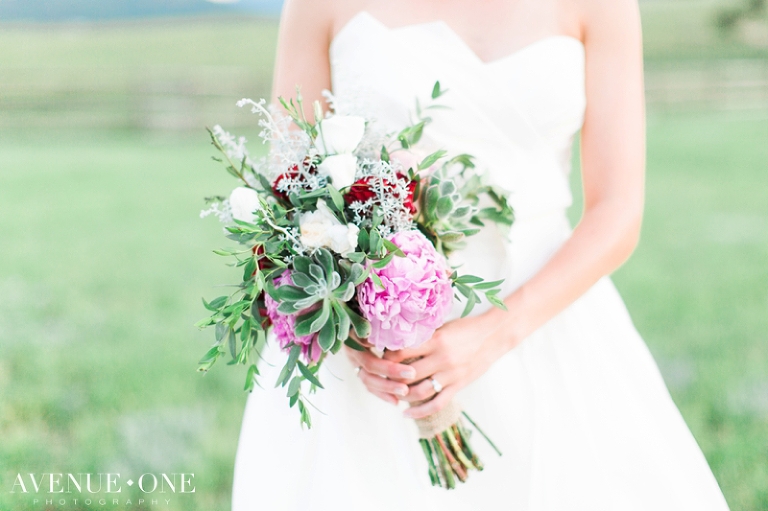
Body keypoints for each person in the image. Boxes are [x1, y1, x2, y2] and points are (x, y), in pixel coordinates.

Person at [232, 0, 731, 509]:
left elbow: (618, 212)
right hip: (373, 348)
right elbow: (288, 193)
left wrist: (493, 333)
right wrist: (348, 324)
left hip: (545, 312)